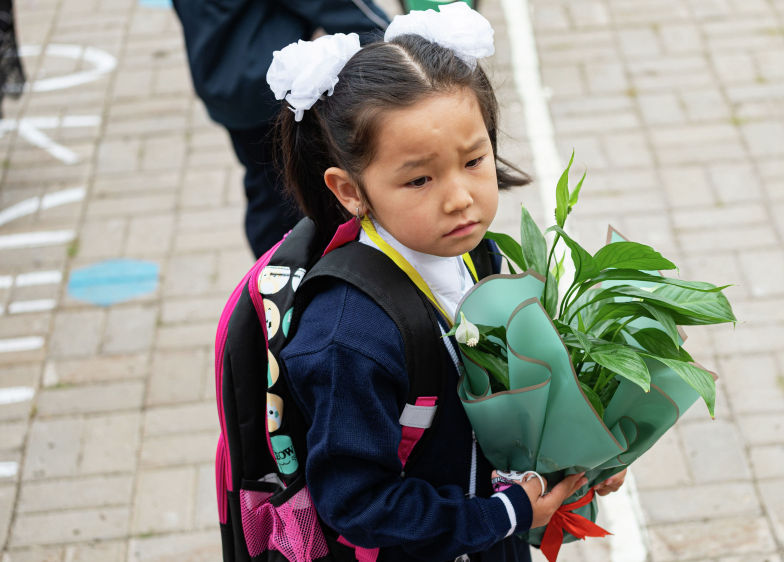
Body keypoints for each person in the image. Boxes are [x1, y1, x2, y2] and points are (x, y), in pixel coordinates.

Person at [269, 4, 624, 560]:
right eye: (420, 178)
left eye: (474, 160)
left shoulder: (473, 252)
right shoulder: (349, 337)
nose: (460, 197)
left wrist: (575, 465)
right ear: (350, 190)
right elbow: (358, 503)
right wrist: (505, 512)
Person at [172, 0, 391, 258]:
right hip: (271, 86)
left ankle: (274, 272)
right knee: (293, 192)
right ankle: (287, 273)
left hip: (220, 76)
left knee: (267, 184)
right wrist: (393, 43)